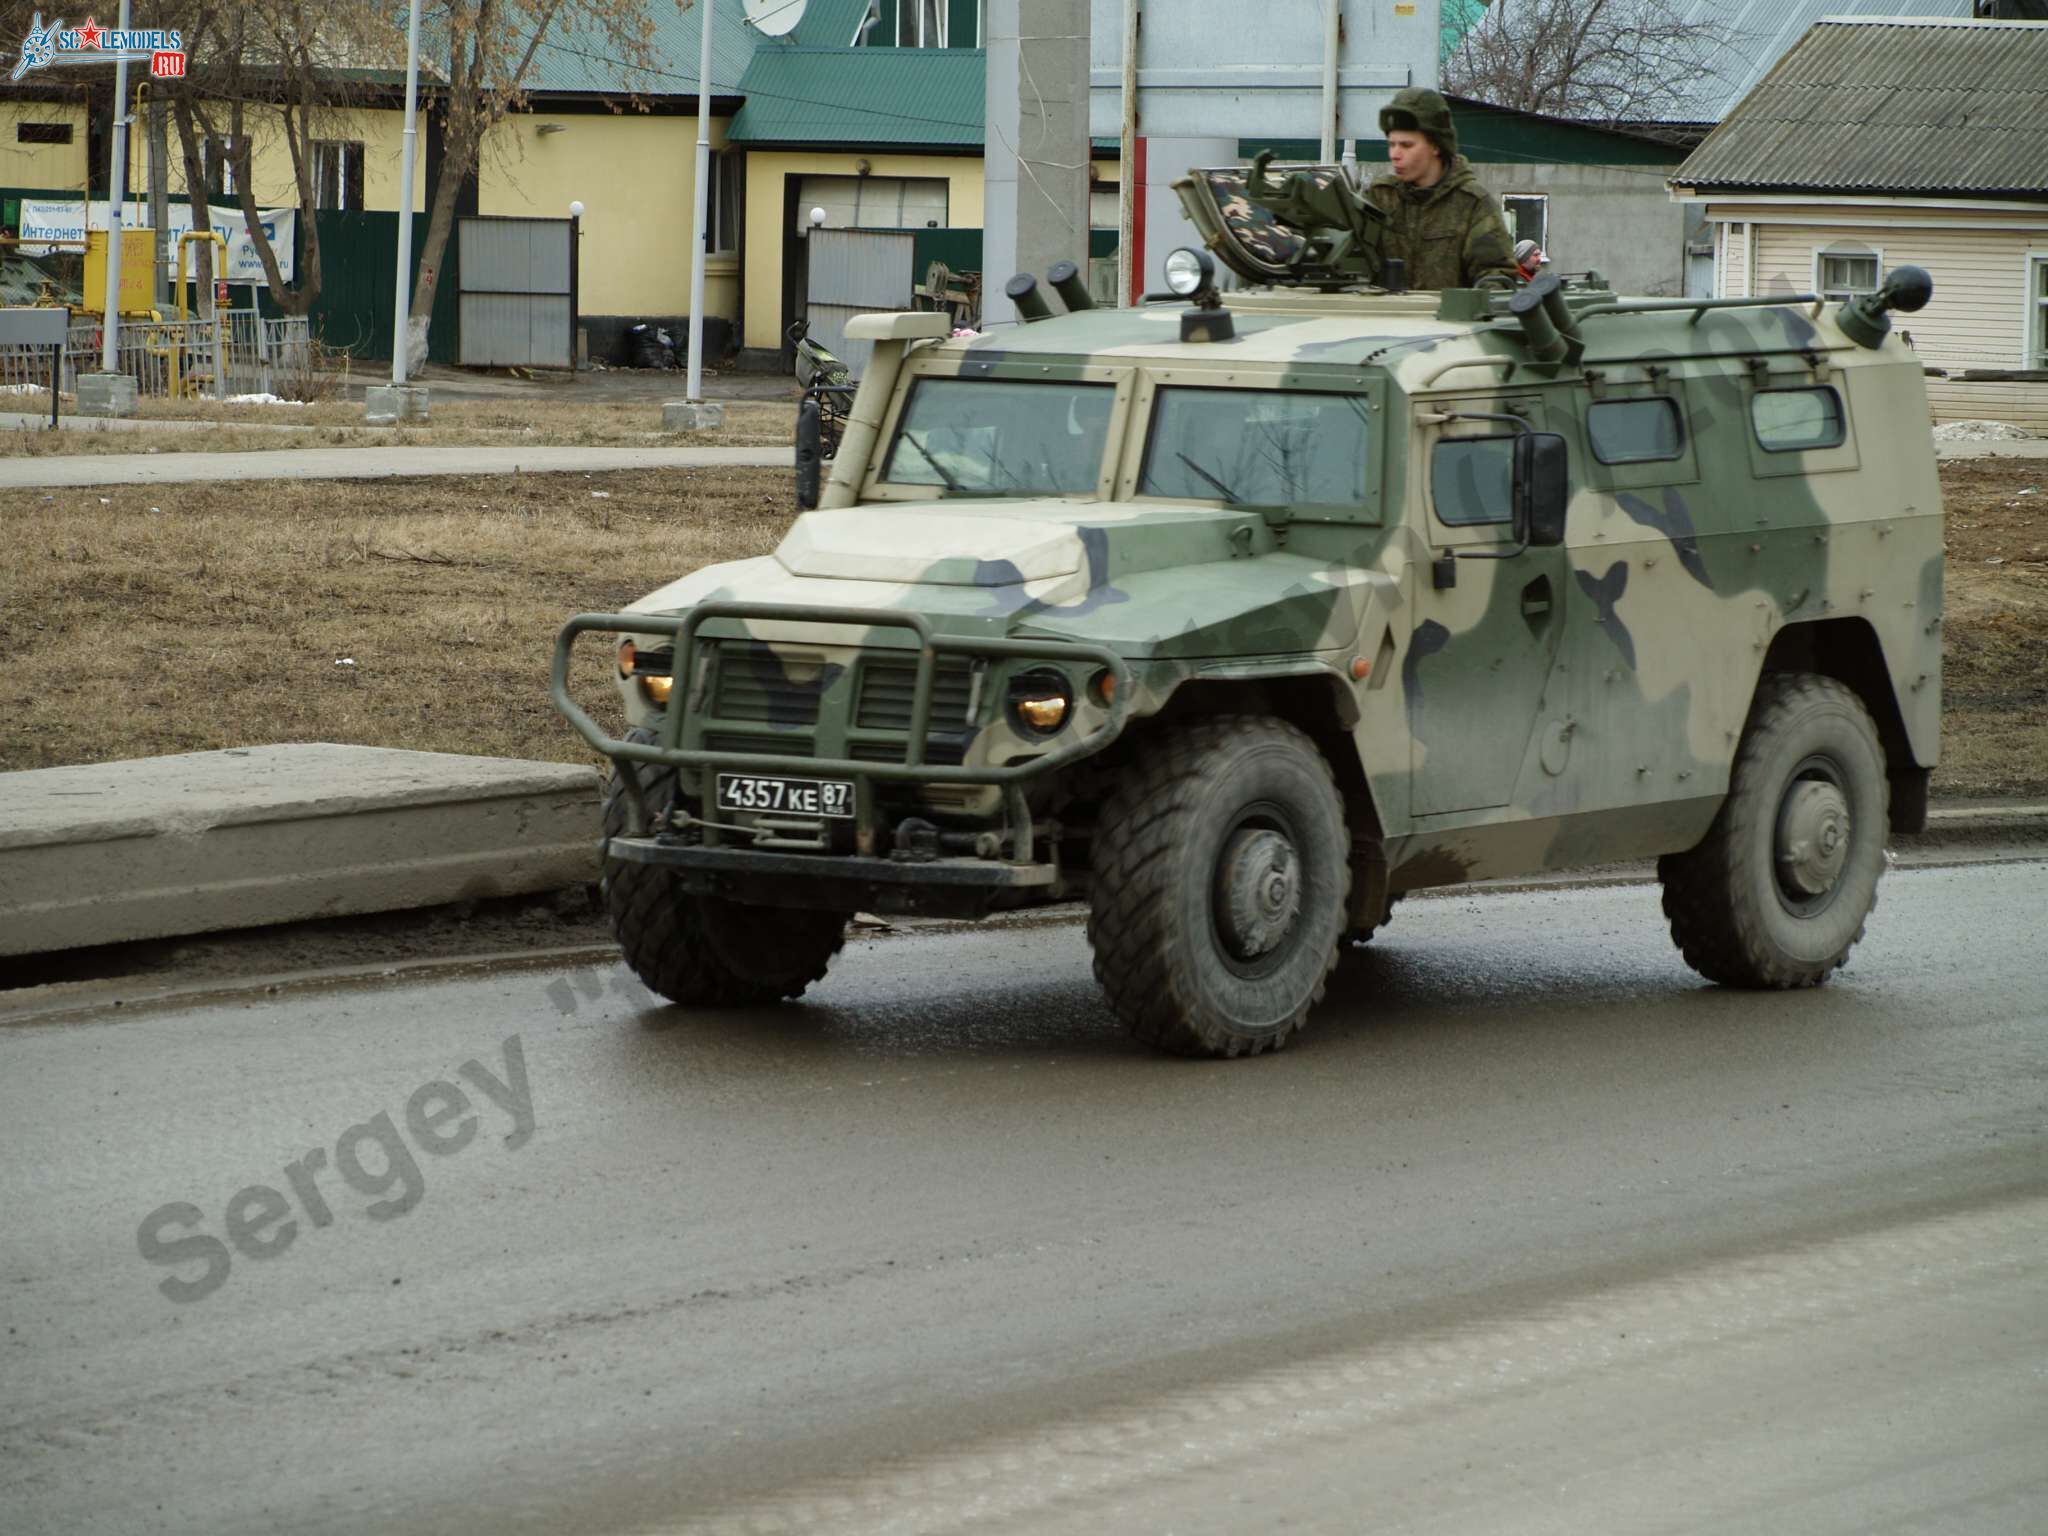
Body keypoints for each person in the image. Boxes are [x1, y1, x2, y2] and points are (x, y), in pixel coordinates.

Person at [1366, 87, 1516, 290]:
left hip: (1447, 320)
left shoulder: (1472, 205)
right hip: (1380, 319)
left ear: (1436, 146)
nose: (1395, 154)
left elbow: (1497, 278)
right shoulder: (1380, 198)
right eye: (1391, 144)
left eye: (1406, 145)